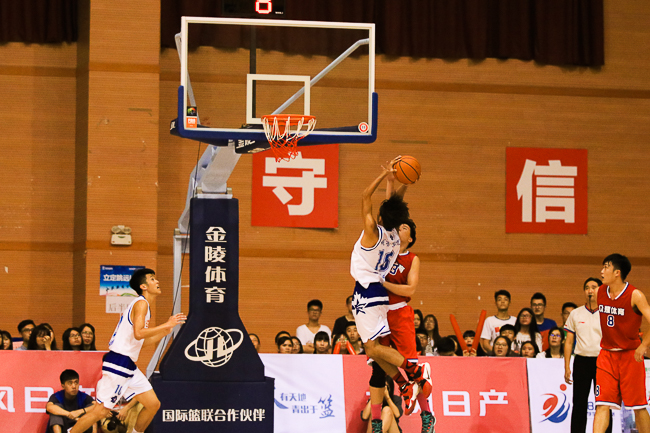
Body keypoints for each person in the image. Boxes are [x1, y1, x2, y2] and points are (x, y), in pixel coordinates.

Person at [349, 157, 429, 433]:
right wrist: (399, 181)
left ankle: (412, 374)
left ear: (381, 219)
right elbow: (393, 207)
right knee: (373, 352)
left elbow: (365, 196)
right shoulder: (395, 238)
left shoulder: (372, 233)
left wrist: (384, 176)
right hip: (380, 296)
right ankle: (405, 383)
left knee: (372, 349)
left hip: (366, 293)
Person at [69, 268, 186, 433]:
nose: (157, 281)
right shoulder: (141, 303)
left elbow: (140, 342)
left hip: (128, 365)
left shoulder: (142, 305)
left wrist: (164, 332)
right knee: (100, 411)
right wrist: (166, 325)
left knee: (153, 404)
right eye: (152, 279)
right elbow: (139, 333)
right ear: (143, 286)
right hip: (119, 363)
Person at [381, 175, 434, 429]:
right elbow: (388, 209)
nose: (399, 228)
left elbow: (410, 289)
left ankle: (427, 415)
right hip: (379, 312)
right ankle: (404, 386)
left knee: (412, 366)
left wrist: (383, 284)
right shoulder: (385, 247)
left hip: (400, 312)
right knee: (377, 358)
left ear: (410, 237)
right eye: (398, 226)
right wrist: (393, 181)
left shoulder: (412, 258)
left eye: (404, 228)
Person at [593, 254, 650, 433]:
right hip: (607, 355)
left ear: (617, 272)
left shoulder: (635, 295)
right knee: (601, 404)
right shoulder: (600, 291)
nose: (602, 271)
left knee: (638, 406)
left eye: (606, 267)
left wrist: (644, 345)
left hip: (630, 356)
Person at [564, 277, 612, 433]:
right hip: (581, 361)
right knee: (579, 402)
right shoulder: (575, 313)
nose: (590, 290)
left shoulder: (608, 312)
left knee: (604, 403)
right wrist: (567, 366)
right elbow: (569, 342)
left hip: (603, 362)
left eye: (593, 287)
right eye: (587, 288)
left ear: (601, 290)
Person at [480, 290, 516, 354]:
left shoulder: (515, 320)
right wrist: (497, 353)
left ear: (509, 302)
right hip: (495, 355)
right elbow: (485, 344)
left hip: (512, 355)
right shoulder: (489, 320)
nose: (502, 302)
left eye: (505, 299)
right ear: (495, 303)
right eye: (499, 299)